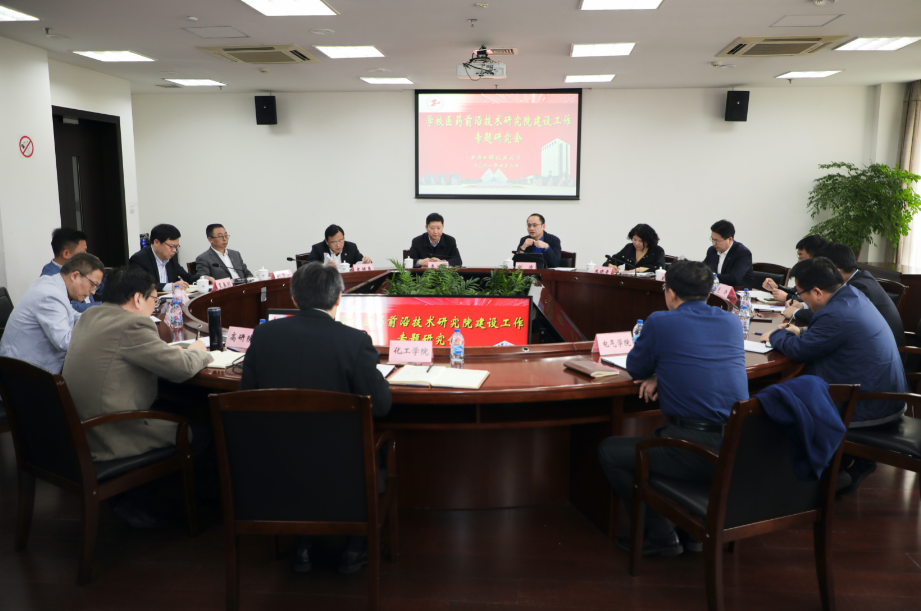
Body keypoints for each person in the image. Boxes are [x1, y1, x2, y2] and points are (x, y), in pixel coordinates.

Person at [239, 262, 391, 574]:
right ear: (339, 297)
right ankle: (354, 549)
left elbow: (245, 399)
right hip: (342, 473)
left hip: (273, 467)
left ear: (294, 299)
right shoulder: (355, 341)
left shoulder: (263, 336)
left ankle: (303, 546)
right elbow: (381, 406)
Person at [598, 260, 748, 557]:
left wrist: (655, 371)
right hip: (738, 446)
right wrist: (662, 372)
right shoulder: (731, 322)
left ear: (671, 293)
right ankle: (692, 530)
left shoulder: (660, 321)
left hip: (692, 447)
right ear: (709, 293)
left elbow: (636, 367)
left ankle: (661, 534)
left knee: (610, 452)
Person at [62, 266, 214, 528]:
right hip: (110, 432)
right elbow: (182, 369)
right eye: (154, 299)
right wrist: (199, 350)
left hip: (78, 428)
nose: (154, 306)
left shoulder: (90, 316)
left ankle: (138, 495)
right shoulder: (132, 324)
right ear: (137, 298)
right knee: (203, 431)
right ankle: (140, 501)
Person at [762, 256, 908, 496]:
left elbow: (800, 351)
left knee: (783, 397)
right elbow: (832, 334)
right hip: (885, 397)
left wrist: (777, 336)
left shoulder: (836, 314)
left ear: (817, 292)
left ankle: (799, 479)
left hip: (867, 405)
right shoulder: (851, 295)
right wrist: (801, 331)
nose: (801, 300)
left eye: (801, 294)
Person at [0, 253, 104, 373]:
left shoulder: (52, 283)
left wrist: (101, 320)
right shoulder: (51, 295)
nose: (93, 292)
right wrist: (99, 333)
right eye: (93, 285)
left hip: (30, 367)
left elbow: (72, 314)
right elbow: (64, 342)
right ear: (75, 276)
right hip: (22, 373)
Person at [788, 243, 905, 346]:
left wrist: (796, 312)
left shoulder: (857, 289)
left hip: (881, 349)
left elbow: (831, 317)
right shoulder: (861, 277)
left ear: (835, 271)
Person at [129, 223, 213, 291]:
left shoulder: (172, 258)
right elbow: (141, 285)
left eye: (176, 247)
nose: (174, 250)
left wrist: (203, 278)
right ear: (156, 242)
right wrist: (171, 286)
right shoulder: (139, 259)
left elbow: (187, 277)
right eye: (171, 246)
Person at [40, 227, 102, 312]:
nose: (86, 256)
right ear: (66, 254)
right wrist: (106, 306)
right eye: (83, 252)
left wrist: (96, 268)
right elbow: (72, 307)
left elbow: (100, 292)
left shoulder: (77, 269)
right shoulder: (51, 276)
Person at [762, 234, 827, 303]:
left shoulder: (824, 276)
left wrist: (787, 297)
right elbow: (796, 291)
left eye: (801, 257)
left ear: (815, 258)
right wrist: (777, 287)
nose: (798, 261)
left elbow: (815, 301)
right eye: (799, 257)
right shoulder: (809, 273)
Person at [703, 219, 755, 287]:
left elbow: (734, 278)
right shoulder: (712, 250)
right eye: (712, 239)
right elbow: (703, 269)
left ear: (730, 240)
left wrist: (709, 276)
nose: (714, 243)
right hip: (717, 290)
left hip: (739, 291)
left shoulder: (742, 253)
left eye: (717, 241)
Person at [305, 224, 371, 267]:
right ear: (326, 241)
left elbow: (361, 261)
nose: (338, 245)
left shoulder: (351, 247)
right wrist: (325, 267)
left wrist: (366, 261)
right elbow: (306, 267)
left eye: (340, 241)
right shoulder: (318, 249)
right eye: (334, 242)